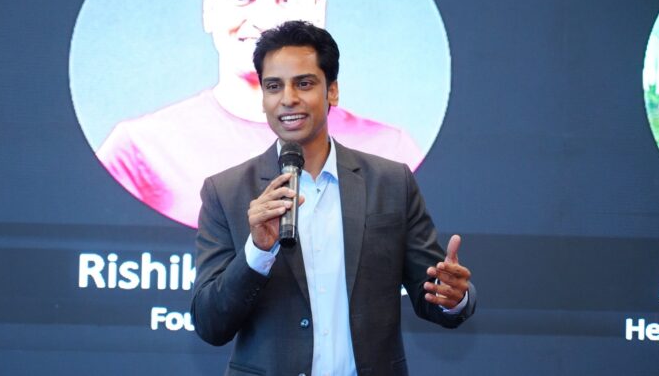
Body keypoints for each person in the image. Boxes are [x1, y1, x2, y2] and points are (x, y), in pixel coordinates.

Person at [191, 21, 475, 375]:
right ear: (263, 98)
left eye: (304, 83)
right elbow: (210, 324)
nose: (288, 99)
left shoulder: (390, 182)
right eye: (274, 86)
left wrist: (452, 297)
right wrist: (258, 251)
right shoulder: (226, 191)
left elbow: (431, 291)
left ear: (333, 91)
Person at [96, 0, 424, 227]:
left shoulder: (389, 152)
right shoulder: (140, 150)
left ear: (318, 12)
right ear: (209, 11)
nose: (263, 20)